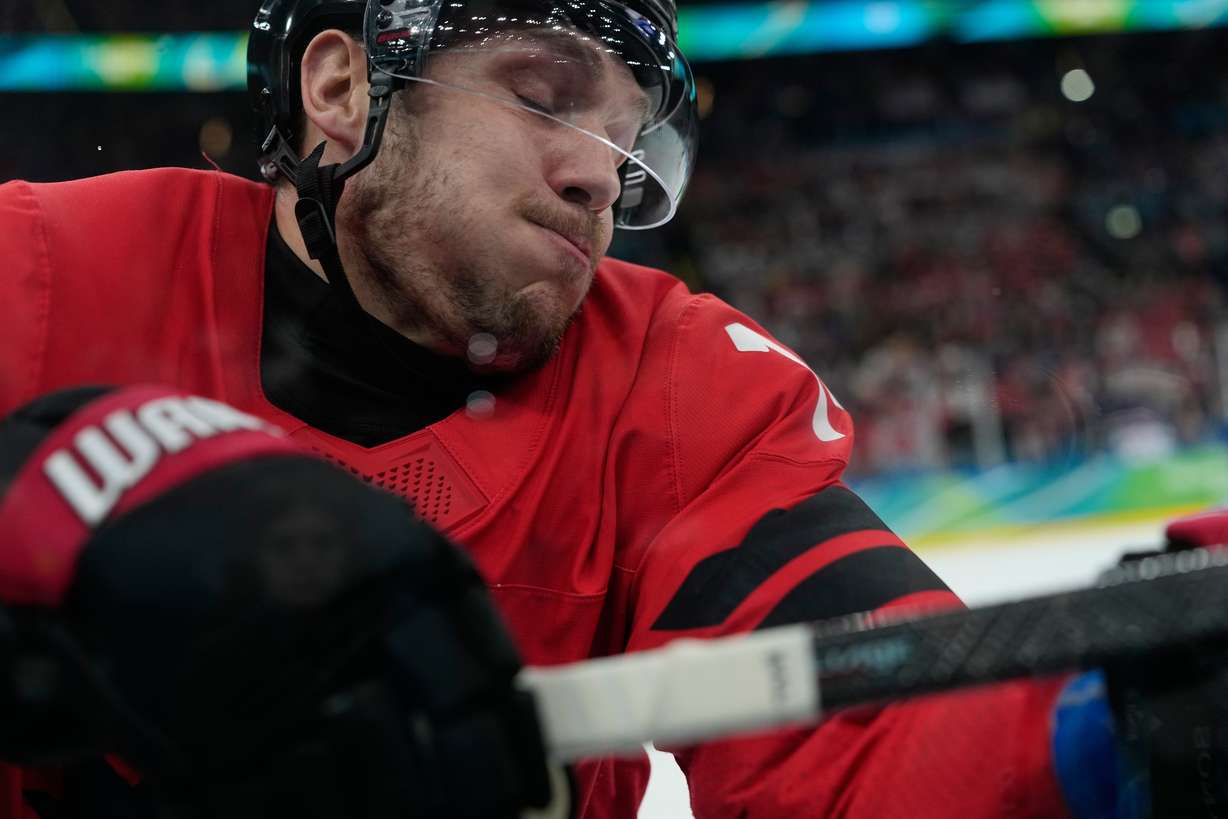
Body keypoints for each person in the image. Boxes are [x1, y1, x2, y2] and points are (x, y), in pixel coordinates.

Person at [0, 0, 1214, 816]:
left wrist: (1113, 728)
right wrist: (44, 487)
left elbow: (866, 719)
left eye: (629, 144)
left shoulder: (684, 389)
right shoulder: (40, 272)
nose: (599, 173)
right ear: (341, 85)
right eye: (543, 94)